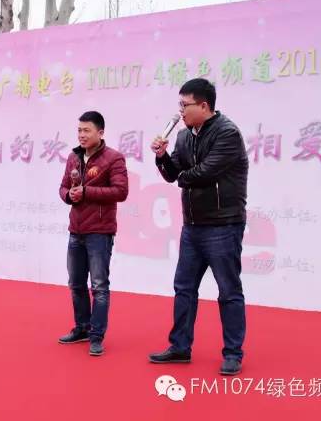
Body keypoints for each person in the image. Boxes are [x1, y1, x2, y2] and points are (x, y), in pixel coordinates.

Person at [148, 78, 249, 376]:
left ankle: (233, 353)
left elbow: (205, 173)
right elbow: (172, 174)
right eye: (179, 105)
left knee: (228, 290)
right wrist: (161, 157)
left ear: (204, 106)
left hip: (223, 225)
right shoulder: (183, 136)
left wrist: (182, 176)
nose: (180, 111)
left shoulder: (227, 133)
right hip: (192, 227)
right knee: (184, 288)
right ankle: (180, 347)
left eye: (185, 105)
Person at [57, 111, 129, 356]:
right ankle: (82, 328)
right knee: (76, 284)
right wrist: (69, 195)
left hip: (100, 232)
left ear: (100, 132)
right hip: (75, 230)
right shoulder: (73, 157)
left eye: (86, 130)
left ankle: (97, 336)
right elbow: (63, 187)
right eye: (79, 130)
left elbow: (121, 191)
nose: (82, 135)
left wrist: (87, 192)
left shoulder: (114, 158)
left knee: (98, 286)